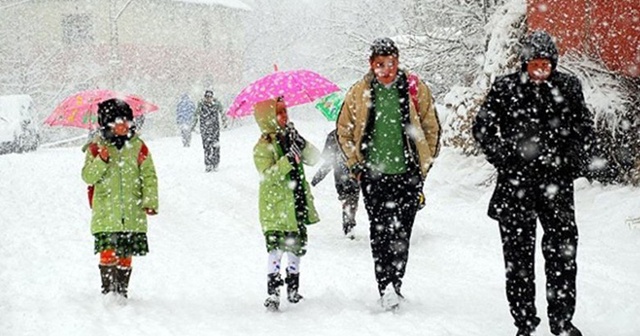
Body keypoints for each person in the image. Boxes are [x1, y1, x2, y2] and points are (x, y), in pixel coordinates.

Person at [472, 31, 595, 336]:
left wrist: (571, 159)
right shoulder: (505, 88)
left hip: (557, 187)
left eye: (546, 64)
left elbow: (584, 126)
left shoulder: (568, 87)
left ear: (553, 63)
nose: (540, 70)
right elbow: (483, 127)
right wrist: (504, 157)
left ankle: (563, 322)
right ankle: (524, 323)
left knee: (563, 256)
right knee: (518, 261)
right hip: (516, 188)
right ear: (524, 63)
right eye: (534, 64)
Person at [336, 37, 441, 310]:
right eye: (380, 64)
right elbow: (344, 130)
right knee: (380, 232)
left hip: (407, 174)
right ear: (371, 64)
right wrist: (355, 163)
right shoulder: (359, 92)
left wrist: (423, 164)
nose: (386, 69)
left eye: (391, 63)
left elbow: (431, 125)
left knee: (403, 232)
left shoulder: (414, 88)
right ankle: (385, 286)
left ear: (398, 61)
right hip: (373, 176)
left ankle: (397, 282)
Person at [81, 98, 159, 302]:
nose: (124, 126)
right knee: (108, 250)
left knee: (125, 251)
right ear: (107, 123)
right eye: (118, 121)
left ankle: (122, 290)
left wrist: (150, 201)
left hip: (131, 210)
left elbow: (149, 175)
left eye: (127, 121)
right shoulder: (96, 148)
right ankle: (108, 291)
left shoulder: (138, 147)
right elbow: (88, 176)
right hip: (106, 211)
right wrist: (101, 159)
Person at [252, 97, 321, 311]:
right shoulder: (263, 147)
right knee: (276, 249)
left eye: (285, 111)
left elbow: (315, 158)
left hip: (296, 201)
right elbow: (267, 175)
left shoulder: (291, 138)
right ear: (268, 118)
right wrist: (287, 161)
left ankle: (293, 288)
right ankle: (273, 292)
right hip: (277, 206)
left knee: (295, 247)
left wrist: (301, 143)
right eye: (279, 112)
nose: (284, 116)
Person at [311, 129, 360, 239]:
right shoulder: (356, 133)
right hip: (351, 175)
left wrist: (317, 178)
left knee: (348, 199)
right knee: (351, 199)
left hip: (342, 176)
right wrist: (317, 178)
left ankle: (348, 223)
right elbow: (329, 162)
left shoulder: (333, 135)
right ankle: (349, 223)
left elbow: (328, 162)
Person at [194, 90, 223, 172]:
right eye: (207, 97)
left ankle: (215, 163)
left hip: (215, 128)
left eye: (210, 97)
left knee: (216, 146)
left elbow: (222, 112)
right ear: (205, 97)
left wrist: (224, 121)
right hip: (205, 129)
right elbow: (196, 115)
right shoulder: (201, 105)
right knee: (206, 147)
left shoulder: (216, 104)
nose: (208, 99)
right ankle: (208, 164)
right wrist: (193, 126)